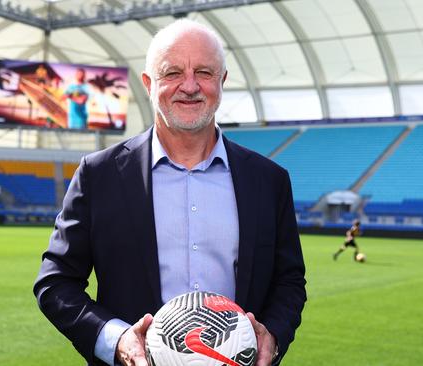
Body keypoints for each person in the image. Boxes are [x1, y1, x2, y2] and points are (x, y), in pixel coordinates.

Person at [34, 19, 306, 366]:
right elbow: (55, 283)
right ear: (149, 83)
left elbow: (289, 281)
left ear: (222, 81)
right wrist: (117, 341)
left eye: (204, 72)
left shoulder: (268, 180)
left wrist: (274, 336)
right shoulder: (99, 175)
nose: (190, 86)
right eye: (173, 73)